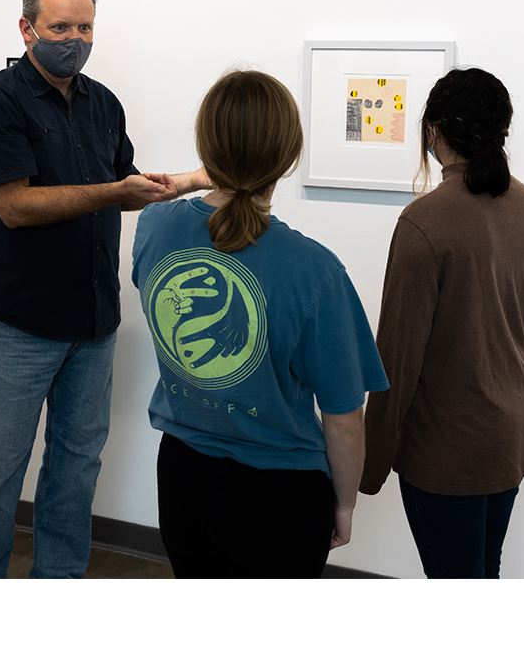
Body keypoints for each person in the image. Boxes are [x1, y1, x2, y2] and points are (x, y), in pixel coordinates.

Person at [0, 0, 209, 579]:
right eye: (60, 26)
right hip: (21, 322)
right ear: (27, 28)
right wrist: (112, 191)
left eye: (86, 27)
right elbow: (14, 206)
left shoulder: (104, 104)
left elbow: (124, 189)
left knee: (75, 470)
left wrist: (195, 181)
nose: (75, 38)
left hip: (95, 321)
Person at [131, 69, 388, 578]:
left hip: (182, 477)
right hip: (280, 495)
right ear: (290, 158)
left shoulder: (155, 226)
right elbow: (343, 418)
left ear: (205, 148)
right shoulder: (314, 270)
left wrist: (197, 177)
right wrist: (345, 505)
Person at [359, 67, 524, 579]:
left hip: (447, 447)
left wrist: (368, 464)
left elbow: (395, 360)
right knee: (481, 574)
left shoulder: (425, 221)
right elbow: (519, 327)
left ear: (433, 130)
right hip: (509, 432)